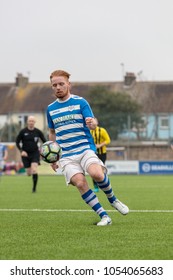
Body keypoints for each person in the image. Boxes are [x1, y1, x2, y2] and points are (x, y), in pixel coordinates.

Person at [47, 70, 129, 226]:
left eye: (61, 84)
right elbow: (52, 132)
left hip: (85, 148)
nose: (58, 87)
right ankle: (104, 216)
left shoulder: (81, 102)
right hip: (66, 155)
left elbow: (92, 122)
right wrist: (54, 157)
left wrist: (93, 124)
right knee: (80, 183)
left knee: (97, 174)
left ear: (69, 84)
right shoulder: (50, 109)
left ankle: (113, 199)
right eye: (54, 85)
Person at [16, 115, 47, 192]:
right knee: (29, 173)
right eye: (30, 121)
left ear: (35, 122)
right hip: (25, 154)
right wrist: (21, 151)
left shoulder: (38, 132)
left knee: (34, 170)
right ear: (27, 122)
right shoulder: (23, 132)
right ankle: (29, 173)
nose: (31, 122)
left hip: (35, 153)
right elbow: (17, 142)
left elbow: (45, 142)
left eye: (32, 121)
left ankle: (34, 189)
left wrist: (46, 150)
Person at [90, 118, 111, 192]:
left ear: (97, 122)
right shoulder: (89, 132)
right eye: (91, 122)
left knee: (102, 170)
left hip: (102, 153)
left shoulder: (102, 130)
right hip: (93, 153)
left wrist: (99, 145)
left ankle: (105, 185)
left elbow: (108, 140)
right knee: (92, 170)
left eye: (93, 121)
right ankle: (96, 187)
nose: (92, 123)